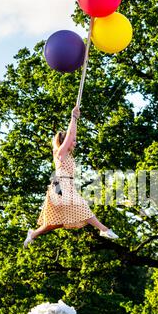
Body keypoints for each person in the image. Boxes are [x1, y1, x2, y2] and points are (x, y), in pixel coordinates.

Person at [24, 105, 118, 247]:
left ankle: (33, 234)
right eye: (72, 141)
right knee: (81, 206)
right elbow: (70, 134)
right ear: (64, 142)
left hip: (64, 185)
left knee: (57, 222)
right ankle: (103, 229)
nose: (75, 142)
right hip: (60, 185)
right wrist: (73, 118)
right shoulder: (60, 152)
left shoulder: (67, 154)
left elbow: (72, 135)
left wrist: (76, 120)